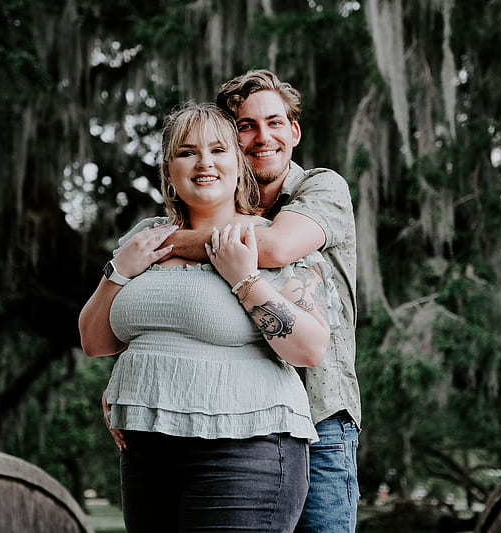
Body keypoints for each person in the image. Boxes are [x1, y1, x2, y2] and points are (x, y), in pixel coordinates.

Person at [78, 102, 342, 532]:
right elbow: (95, 342)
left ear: (238, 164)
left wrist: (244, 279)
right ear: (169, 168)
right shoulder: (144, 239)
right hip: (147, 451)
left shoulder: (273, 241)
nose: (204, 163)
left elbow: (310, 349)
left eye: (218, 150)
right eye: (186, 152)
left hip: (246, 451)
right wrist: (118, 270)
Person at [146, 70, 362, 532]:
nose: (263, 137)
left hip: (318, 412)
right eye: (245, 126)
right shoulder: (207, 205)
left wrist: (158, 244)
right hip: (238, 421)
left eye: (275, 122)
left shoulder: (321, 188)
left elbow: (278, 247)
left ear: (294, 130)